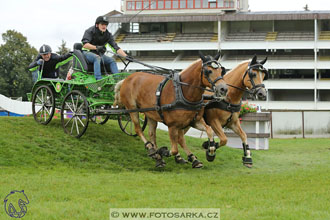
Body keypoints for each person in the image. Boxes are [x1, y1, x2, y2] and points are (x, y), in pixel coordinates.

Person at [81, 16, 128, 80]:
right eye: (102, 24)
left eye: (105, 24)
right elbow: (85, 45)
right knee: (97, 57)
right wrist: (96, 47)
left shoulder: (108, 35)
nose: (104, 26)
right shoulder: (89, 31)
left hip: (99, 54)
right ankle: (99, 79)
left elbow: (116, 47)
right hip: (87, 53)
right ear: (97, 25)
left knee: (112, 60)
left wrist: (126, 56)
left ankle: (117, 81)